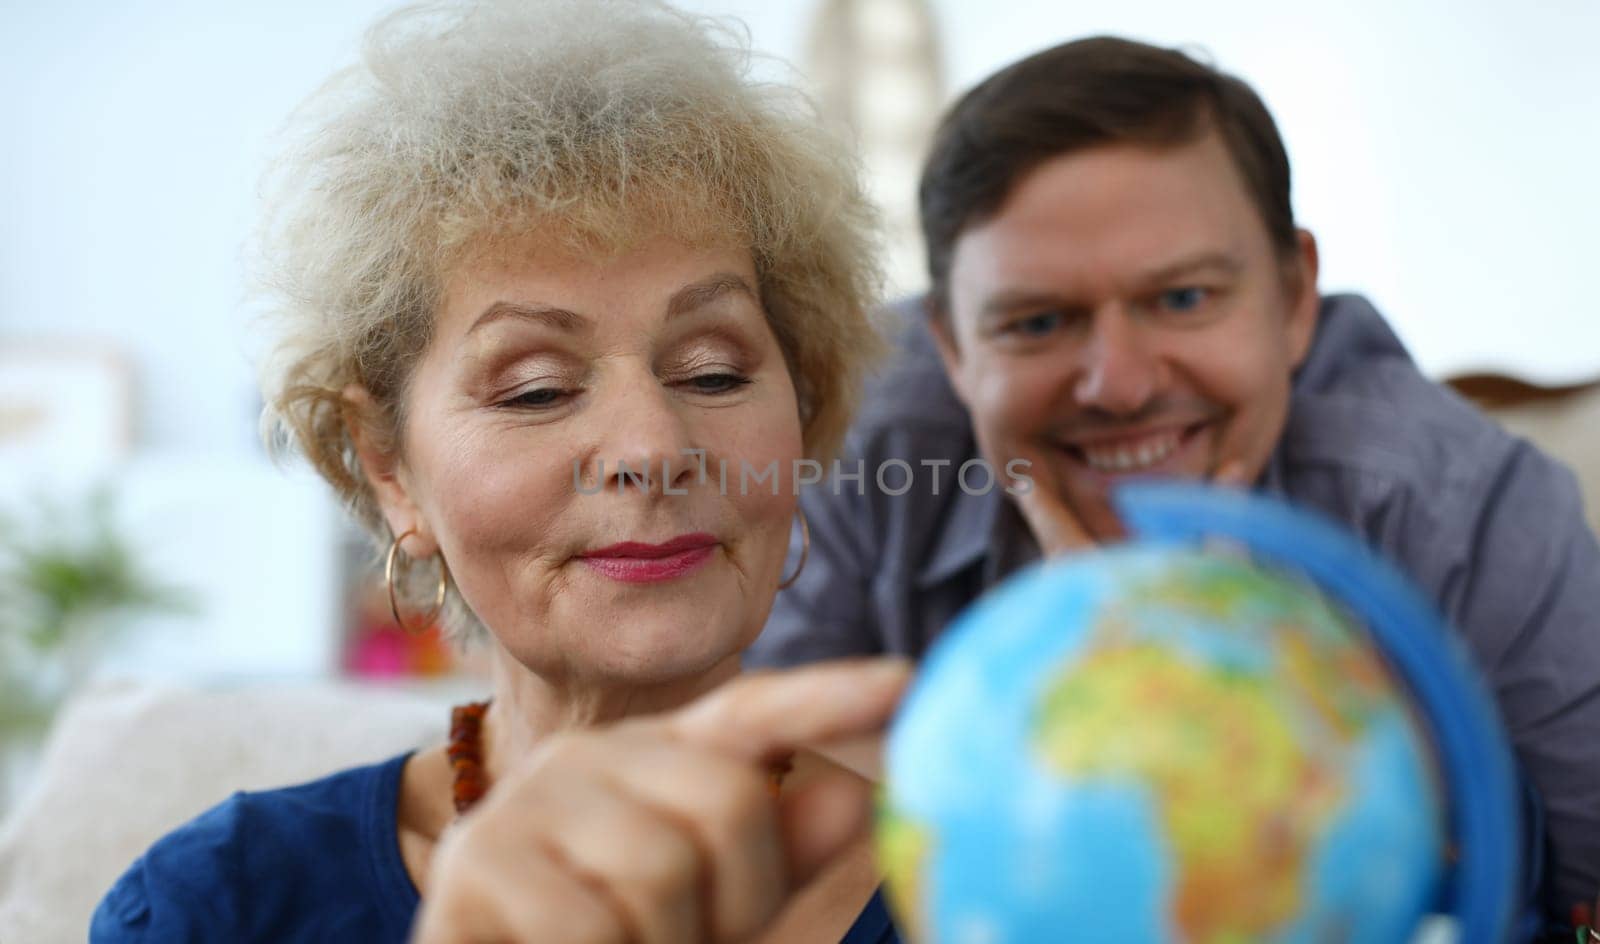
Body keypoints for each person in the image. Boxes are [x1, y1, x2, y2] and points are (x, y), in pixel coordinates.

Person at [90, 1, 908, 941]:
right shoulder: (217, 904)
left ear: (802, 411)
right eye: (536, 390)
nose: (651, 447)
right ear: (389, 467)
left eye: (712, 371)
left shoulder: (993, 895)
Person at [747, 35, 1600, 930]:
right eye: (1039, 322)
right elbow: (757, 783)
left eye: (1183, 299)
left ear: (1294, 297)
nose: (1119, 383)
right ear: (952, 347)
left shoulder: (1462, 505)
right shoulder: (848, 435)